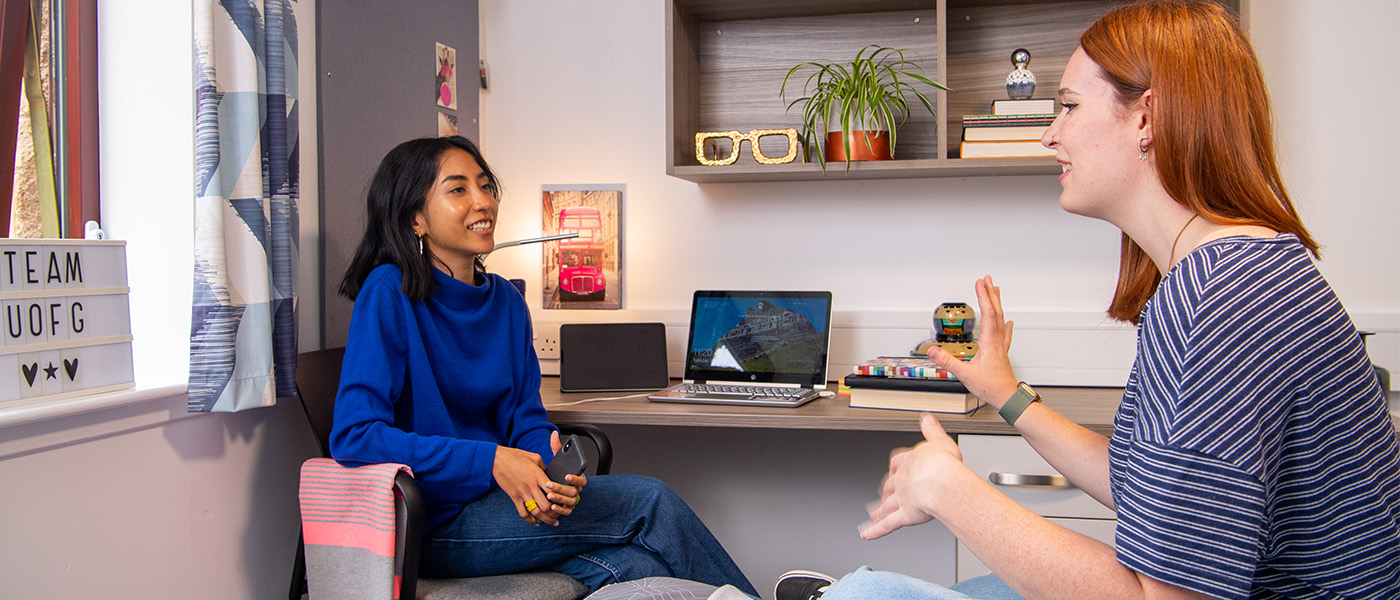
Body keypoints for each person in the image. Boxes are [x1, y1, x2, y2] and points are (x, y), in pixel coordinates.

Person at [776, 1, 1400, 599]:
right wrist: (1006, 394)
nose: (1051, 135)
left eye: (1069, 107)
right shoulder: (1244, 266)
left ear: (1146, 119)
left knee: (864, 590)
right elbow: (1144, 491)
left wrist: (948, 488)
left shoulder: (1221, 298)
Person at [329, 135, 758, 596]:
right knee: (650, 501)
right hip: (436, 523)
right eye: (458, 190)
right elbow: (355, 436)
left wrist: (549, 469)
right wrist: (493, 461)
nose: (483, 201)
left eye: (485, 185)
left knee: (634, 564)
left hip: (506, 507)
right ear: (416, 218)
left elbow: (524, 418)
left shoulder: (508, 303)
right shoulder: (388, 292)